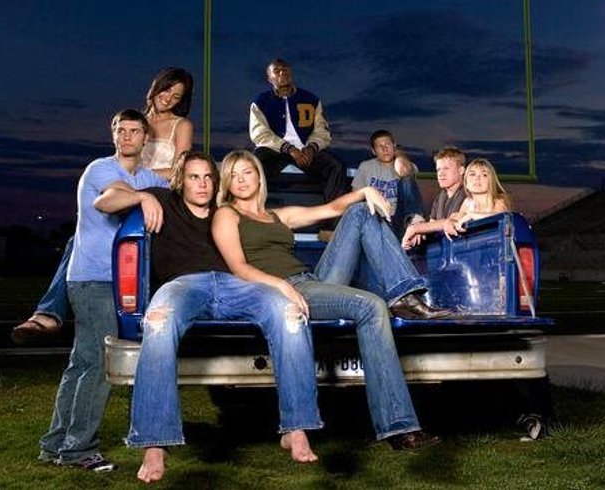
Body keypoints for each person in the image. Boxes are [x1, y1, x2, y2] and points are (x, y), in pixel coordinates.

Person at [94, 152, 321, 483]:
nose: (201, 184)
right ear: (181, 181)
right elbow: (105, 200)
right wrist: (142, 197)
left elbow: (274, 224)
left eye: (207, 177)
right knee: (158, 321)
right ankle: (155, 442)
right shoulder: (163, 200)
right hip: (184, 286)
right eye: (193, 177)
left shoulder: (226, 211)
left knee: (290, 314)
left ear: (216, 182)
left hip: (235, 285)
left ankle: (297, 429)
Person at [211, 150, 447, 452]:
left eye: (247, 172)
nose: (241, 180)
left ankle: (403, 294)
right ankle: (399, 427)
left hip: (312, 281)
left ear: (259, 176)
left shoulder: (277, 216)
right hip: (284, 290)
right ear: (227, 183)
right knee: (372, 306)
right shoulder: (227, 215)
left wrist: (364, 191)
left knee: (360, 212)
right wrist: (282, 286)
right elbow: (239, 268)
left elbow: (331, 208)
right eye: (233, 175)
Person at [11, 68, 195, 343]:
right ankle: (49, 312)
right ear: (156, 87)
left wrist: (142, 177)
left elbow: (180, 169)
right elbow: (115, 168)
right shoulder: (133, 121)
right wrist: (127, 177)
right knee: (80, 238)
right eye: (166, 90)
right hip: (123, 189)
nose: (168, 98)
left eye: (177, 96)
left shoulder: (181, 125)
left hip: (154, 190)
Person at [38, 109, 169, 472]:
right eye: (120, 130)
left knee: (81, 362)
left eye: (134, 131)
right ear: (113, 135)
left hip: (119, 281)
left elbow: (172, 192)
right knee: (100, 364)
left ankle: (55, 444)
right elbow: (108, 200)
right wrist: (144, 198)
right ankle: (79, 449)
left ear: (146, 139)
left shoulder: (148, 177)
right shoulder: (100, 169)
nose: (126, 136)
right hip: (91, 279)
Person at [249, 58, 348, 203]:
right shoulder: (261, 101)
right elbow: (260, 134)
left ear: (291, 74)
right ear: (270, 78)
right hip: (275, 150)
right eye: (276, 71)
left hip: (305, 150)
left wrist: (312, 148)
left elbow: (322, 131)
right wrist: (289, 149)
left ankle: (333, 214)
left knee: (336, 166)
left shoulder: (310, 99)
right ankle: (252, 210)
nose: (282, 73)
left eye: (285, 70)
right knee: (254, 162)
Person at [352, 130, 425, 238]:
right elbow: (355, 198)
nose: (385, 149)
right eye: (380, 146)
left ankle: (414, 221)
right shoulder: (366, 167)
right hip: (375, 219)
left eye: (388, 145)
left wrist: (399, 154)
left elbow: (404, 171)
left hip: (400, 218)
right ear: (373, 151)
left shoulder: (406, 165)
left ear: (394, 146)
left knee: (406, 179)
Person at [401, 146, 468, 249]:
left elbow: (454, 222)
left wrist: (417, 228)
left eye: (446, 168)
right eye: (438, 170)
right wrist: (421, 230)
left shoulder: (469, 194)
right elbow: (432, 225)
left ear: (461, 170)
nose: (441, 174)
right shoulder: (440, 197)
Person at [451, 158, 512, 227]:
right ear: (466, 182)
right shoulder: (467, 202)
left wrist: (472, 215)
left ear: (491, 181)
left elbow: (501, 218)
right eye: (472, 174)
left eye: (484, 175)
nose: (477, 178)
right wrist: (452, 221)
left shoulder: (499, 199)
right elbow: (458, 221)